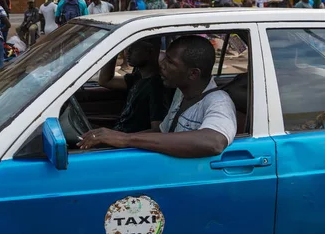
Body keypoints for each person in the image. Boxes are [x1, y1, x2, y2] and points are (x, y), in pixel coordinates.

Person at [79, 35, 237, 158]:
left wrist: (126, 140)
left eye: (170, 62)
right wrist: (115, 139)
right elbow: (163, 132)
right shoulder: (180, 94)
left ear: (193, 73)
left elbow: (214, 142)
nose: (161, 65)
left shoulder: (218, 102)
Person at [98, 38, 172, 133]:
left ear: (150, 50)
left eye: (134, 48)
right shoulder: (138, 77)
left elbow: (158, 130)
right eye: (127, 47)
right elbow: (105, 81)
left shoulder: (157, 86)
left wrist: (121, 138)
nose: (127, 52)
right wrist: (114, 50)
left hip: (129, 143)